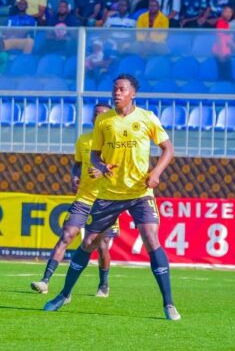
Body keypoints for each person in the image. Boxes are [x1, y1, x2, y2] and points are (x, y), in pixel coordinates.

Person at [43, 74, 181, 322]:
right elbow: (94, 155)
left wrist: (156, 173)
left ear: (132, 93)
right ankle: (63, 294)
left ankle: (169, 304)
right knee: (89, 243)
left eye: (122, 89)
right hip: (109, 194)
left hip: (140, 192)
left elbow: (168, 149)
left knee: (151, 238)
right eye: (115, 89)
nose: (117, 93)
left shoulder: (147, 118)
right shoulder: (104, 121)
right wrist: (101, 166)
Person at [32, 104, 117, 298]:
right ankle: (45, 281)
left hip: (107, 201)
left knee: (102, 245)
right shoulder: (84, 140)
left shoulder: (116, 143)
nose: (98, 117)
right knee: (66, 236)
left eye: (103, 115)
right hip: (83, 199)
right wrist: (74, 177)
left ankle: (104, 284)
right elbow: (77, 164)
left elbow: (122, 170)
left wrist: (103, 171)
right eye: (96, 114)